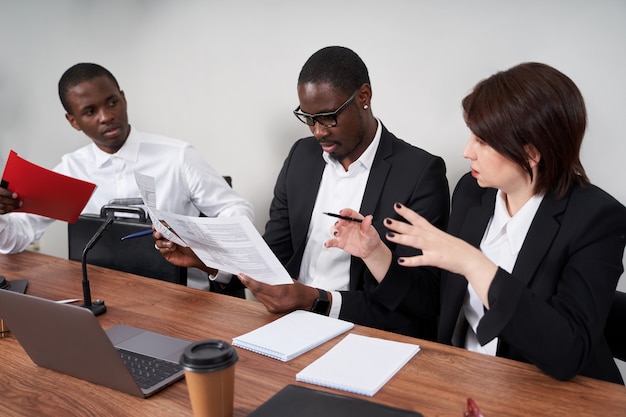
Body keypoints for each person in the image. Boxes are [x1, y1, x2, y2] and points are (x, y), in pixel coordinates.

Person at [326, 62, 626, 383]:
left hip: (546, 393)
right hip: (461, 377)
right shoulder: (472, 192)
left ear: (532, 152)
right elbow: (434, 305)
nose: (467, 151)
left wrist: (473, 263)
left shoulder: (597, 218)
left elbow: (567, 353)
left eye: (482, 141)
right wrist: (374, 253)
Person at [155, 46, 450, 338]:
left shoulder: (419, 174)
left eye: (328, 116)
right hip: (288, 326)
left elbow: (421, 299)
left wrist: (314, 299)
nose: (318, 131)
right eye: (308, 118)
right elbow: (272, 256)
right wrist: (208, 259)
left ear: (364, 97)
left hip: (369, 336)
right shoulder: (302, 156)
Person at [0, 63, 254, 291]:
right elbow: (15, 239)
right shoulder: (70, 170)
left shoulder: (177, 156)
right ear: (73, 121)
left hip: (182, 297)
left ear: (123, 98)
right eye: (90, 111)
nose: (106, 116)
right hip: (104, 296)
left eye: (112, 102)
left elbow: (237, 210)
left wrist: (202, 245)